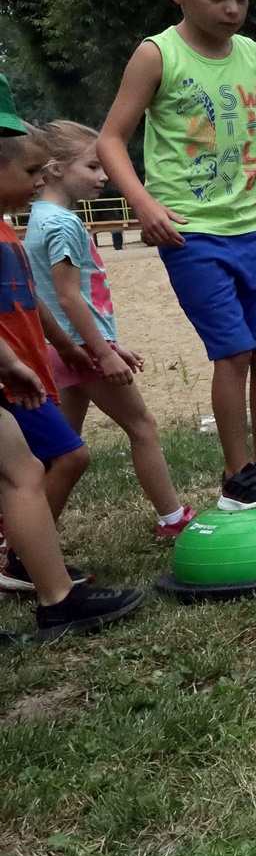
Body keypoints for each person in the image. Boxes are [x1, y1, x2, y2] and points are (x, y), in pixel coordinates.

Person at [97, 0, 256, 511]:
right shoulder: (157, 54)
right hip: (191, 232)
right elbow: (112, 140)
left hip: (248, 227)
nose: (233, 8)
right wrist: (145, 205)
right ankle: (237, 475)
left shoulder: (255, 55)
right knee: (232, 350)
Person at [0, 96, 145, 640]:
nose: (40, 182)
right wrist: (11, 361)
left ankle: (44, 584)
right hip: (11, 378)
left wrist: (64, 349)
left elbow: (34, 305)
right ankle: (44, 585)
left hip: (23, 374)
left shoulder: (9, 230)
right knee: (49, 463)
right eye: (31, 171)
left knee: (40, 466)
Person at [25, 121, 193, 542]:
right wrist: (104, 352)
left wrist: (110, 345)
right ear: (56, 168)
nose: (105, 177)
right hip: (83, 350)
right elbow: (69, 298)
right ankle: (172, 518)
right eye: (93, 167)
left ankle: (29, 532)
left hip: (59, 349)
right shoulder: (62, 224)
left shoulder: (38, 219)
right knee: (142, 427)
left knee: (60, 450)